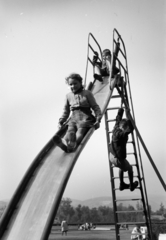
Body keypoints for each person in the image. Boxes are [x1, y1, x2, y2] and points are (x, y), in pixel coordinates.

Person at [53, 73, 102, 152]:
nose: (73, 86)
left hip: (85, 117)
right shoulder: (68, 96)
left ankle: (73, 143)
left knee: (80, 130)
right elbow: (66, 111)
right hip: (73, 118)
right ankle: (64, 143)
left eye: (75, 83)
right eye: (71, 84)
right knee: (70, 130)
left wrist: (98, 118)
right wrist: (61, 121)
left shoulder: (87, 93)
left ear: (80, 83)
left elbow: (95, 107)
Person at [109, 107, 138, 191]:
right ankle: (131, 185)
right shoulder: (122, 134)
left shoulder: (116, 127)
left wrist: (121, 111)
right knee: (130, 168)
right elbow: (131, 128)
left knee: (122, 167)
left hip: (111, 156)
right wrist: (128, 115)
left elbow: (118, 119)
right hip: (118, 158)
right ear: (124, 127)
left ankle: (122, 184)